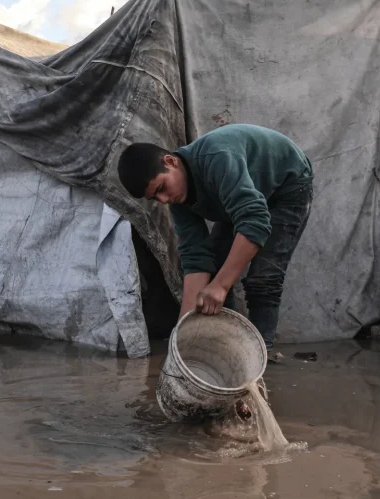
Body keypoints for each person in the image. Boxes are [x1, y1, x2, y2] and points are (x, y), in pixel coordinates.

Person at [117, 123, 314, 349]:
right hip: (245, 202)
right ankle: (225, 350)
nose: (163, 200)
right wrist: (181, 336)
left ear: (170, 162)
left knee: (263, 279)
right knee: (215, 275)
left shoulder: (216, 157)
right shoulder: (178, 199)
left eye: (161, 188)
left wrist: (221, 286)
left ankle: (260, 358)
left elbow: (255, 221)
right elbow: (195, 257)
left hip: (287, 187)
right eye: (155, 198)